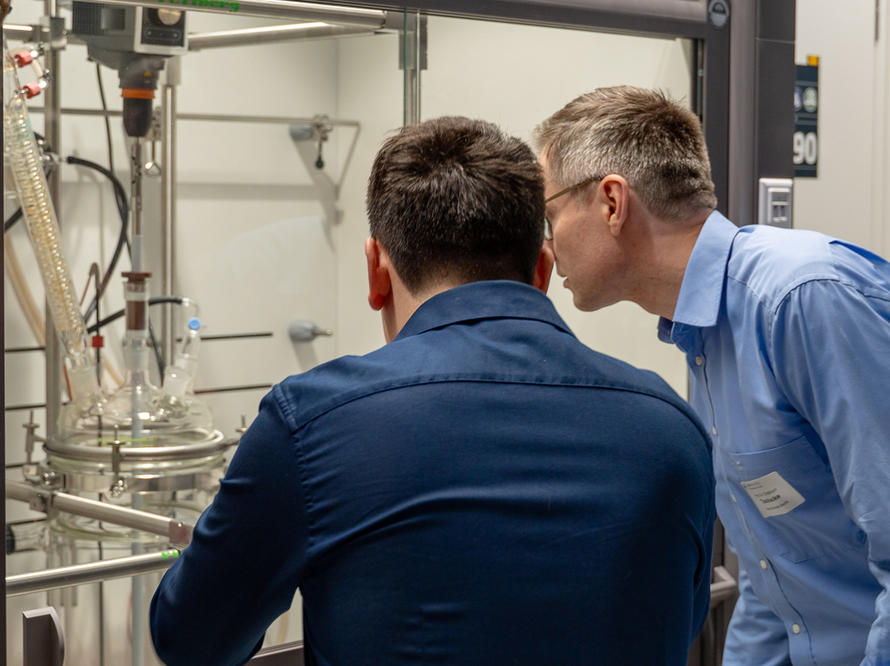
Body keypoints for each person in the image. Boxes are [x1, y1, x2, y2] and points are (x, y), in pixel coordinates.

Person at [149, 115, 715, 666]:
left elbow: (191, 642)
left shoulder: (310, 424)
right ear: (542, 271)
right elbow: (677, 623)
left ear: (376, 271)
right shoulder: (672, 428)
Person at [534, 85, 890, 666]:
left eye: (550, 215)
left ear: (611, 202)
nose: (547, 248)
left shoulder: (807, 300)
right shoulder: (702, 332)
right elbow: (773, 578)